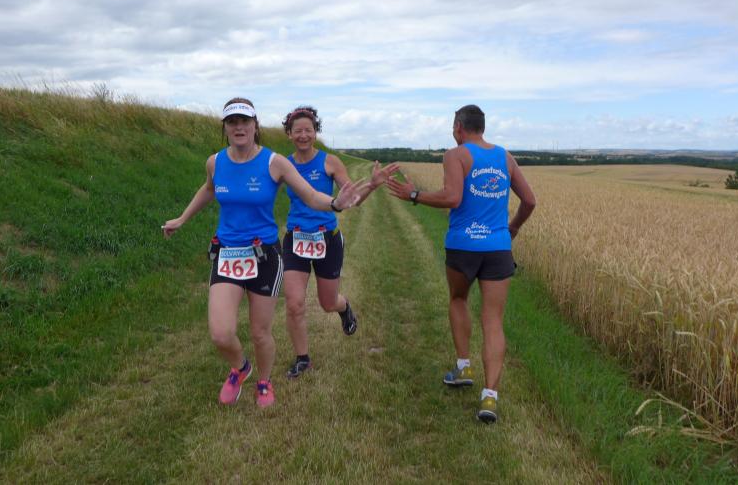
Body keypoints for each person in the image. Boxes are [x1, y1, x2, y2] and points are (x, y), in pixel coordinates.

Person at [162, 98, 365, 408]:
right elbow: (209, 189)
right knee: (220, 333)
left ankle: (264, 382)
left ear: (255, 126)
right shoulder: (215, 162)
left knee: (260, 332)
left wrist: (335, 204)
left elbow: (311, 196)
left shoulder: (274, 162)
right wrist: (182, 218)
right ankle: (240, 368)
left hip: (264, 256)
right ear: (225, 128)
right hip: (227, 253)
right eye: (232, 122)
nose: (239, 127)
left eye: (245, 121)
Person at [386, 104, 536, 423]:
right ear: (483, 127)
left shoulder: (456, 155)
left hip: (463, 246)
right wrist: (512, 229)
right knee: (493, 320)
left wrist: (413, 195)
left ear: (458, 127)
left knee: (458, 299)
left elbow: (452, 197)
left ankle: (464, 367)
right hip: (498, 248)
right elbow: (530, 201)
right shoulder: (505, 157)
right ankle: (490, 396)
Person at [281, 105, 398, 378]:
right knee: (294, 303)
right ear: (289, 134)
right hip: (295, 238)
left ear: (315, 132)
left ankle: (344, 308)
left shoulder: (329, 162)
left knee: (327, 302)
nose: (303, 135)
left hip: (327, 239)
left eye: (308, 130)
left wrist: (372, 185)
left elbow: (352, 199)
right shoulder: (283, 164)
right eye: (297, 130)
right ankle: (302, 358)